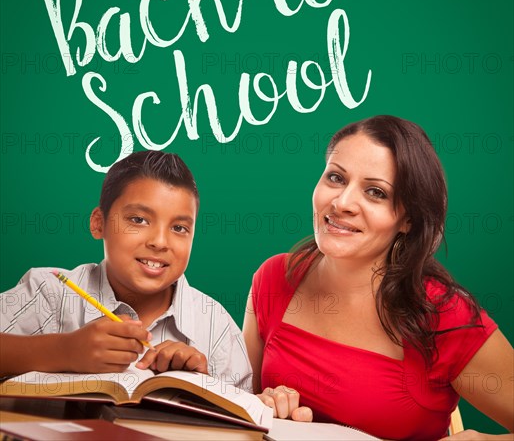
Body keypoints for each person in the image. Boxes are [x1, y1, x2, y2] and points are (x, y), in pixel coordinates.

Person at [243, 116, 513, 440]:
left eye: (375, 192)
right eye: (336, 177)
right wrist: (261, 405)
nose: (342, 203)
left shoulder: (443, 314)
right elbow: (240, 409)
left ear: (407, 220)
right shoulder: (274, 278)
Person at [0, 150, 251, 389]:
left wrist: (203, 387)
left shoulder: (216, 326)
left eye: (179, 228)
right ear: (99, 224)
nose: (160, 242)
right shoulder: (50, 293)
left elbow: (250, 418)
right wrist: (63, 351)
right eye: (138, 220)